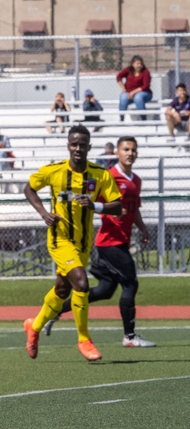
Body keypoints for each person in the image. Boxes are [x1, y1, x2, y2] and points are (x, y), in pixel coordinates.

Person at [41, 136, 155, 347]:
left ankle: (54, 314)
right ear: (117, 153)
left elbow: (133, 208)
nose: (130, 153)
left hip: (121, 240)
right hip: (108, 242)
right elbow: (96, 203)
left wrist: (143, 227)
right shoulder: (107, 175)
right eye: (126, 149)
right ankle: (129, 337)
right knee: (131, 282)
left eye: (133, 150)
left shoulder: (136, 180)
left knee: (105, 290)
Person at [23, 125, 123, 362]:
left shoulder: (100, 174)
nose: (78, 148)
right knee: (81, 282)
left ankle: (34, 327)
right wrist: (43, 213)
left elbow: (118, 206)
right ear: (68, 145)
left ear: (89, 147)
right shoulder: (54, 171)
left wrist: (95, 206)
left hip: (83, 242)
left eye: (82, 144)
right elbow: (29, 189)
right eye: (74, 144)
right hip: (60, 239)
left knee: (62, 288)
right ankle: (83, 339)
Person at [116, 55, 153, 121]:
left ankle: (143, 118)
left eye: (141, 63)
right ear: (133, 64)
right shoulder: (128, 70)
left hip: (144, 92)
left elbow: (146, 86)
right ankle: (121, 118)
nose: (139, 65)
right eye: (137, 63)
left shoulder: (145, 72)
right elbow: (119, 77)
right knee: (123, 97)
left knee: (138, 97)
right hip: (129, 92)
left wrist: (133, 92)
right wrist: (123, 88)